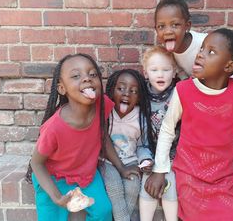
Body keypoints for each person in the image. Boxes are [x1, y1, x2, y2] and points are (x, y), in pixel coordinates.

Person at [145, 28, 233, 221]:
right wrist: (160, 170)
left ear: (228, 66)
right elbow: (167, 129)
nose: (201, 54)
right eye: (202, 48)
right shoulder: (184, 90)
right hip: (188, 174)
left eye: (210, 52)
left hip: (223, 178)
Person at [28, 53, 137, 221]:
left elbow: (103, 137)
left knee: (103, 212)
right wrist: (57, 197)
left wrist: (121, 168)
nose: (87, 79)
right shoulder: (55, 127)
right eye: (76, 76)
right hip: (54, 178)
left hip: (86, 175)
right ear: (62, 88)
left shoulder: (102, 104)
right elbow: (36, 162)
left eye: (92, 74)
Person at [99, 69, 153, 221]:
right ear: (111, 91)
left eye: (133, 91)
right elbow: (101, 139)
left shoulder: (140, 118)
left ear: (139, 96)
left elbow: (143, 145)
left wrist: (145, 161)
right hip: (107, 162)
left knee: (133, 186)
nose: (126, 94)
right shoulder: (106, 113)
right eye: (120, 88)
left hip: (131, 161)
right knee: (114, 187)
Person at [139, 45, 179, 221]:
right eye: (154, 70)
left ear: (174, 72)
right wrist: (144, 158)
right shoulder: (141, 96)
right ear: (146, 73)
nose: (160, 74)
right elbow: (139, 137)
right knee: (147, 180)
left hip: (174, 153)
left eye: (166, 69)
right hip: (148, 150)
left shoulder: (179, 94)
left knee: (170, 181)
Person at [154, 0, 208, 79]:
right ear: (156, 29)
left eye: (175, 25)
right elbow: (181, 73)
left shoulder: (204, 43)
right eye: (161, 26)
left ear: (187, 25)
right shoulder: (168, 54)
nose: (168, 32)